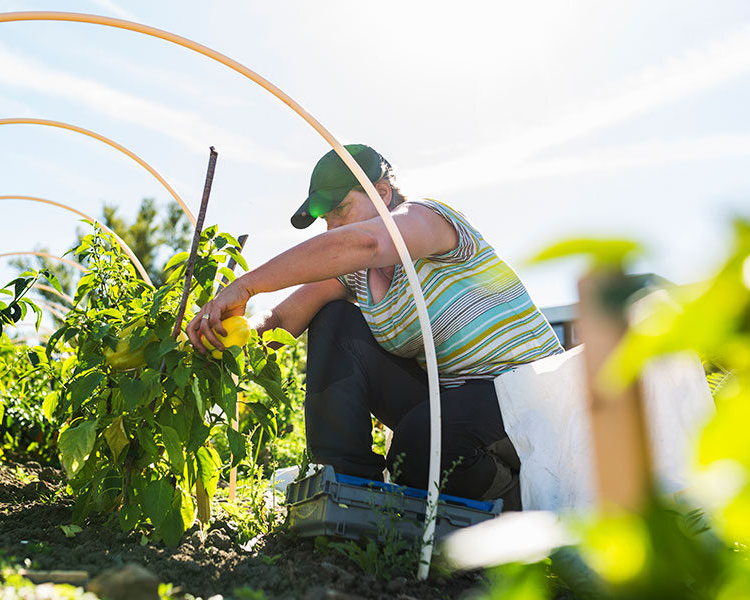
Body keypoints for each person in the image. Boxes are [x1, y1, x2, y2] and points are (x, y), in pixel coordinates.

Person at [186, 144, 563, 510]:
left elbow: (368, 242)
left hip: (525, 393)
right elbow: (283, 319)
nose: (330, 227)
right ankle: (349, 490)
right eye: (325, 219)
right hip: (458, 402)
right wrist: (230, 335)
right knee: (334, 319)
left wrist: (246, 284)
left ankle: (516, 499)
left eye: (341, 210)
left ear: (382, 193)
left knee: (419, 448)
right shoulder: (357, 274)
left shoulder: (429, 220)